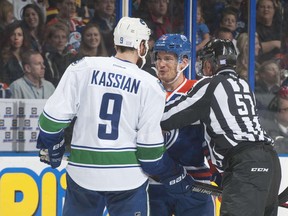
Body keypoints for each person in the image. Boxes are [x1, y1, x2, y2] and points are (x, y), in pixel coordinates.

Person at [36, 17, 195, 216]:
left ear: (115, 42)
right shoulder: (150, 84)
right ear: (141, 45)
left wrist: (53, 145)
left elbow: (50, 121)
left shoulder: (83, 67)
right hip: (126, 179)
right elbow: (150, 154)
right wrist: (174, 174)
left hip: (84, 173)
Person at [160, 38, 281, 216]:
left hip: (245, 165)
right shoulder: (244, 85)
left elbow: (167, 117)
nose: (203, 66)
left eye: (205, 61)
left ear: (212, 63)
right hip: (270, 162)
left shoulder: (210, 85)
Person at [150, 33, 215, 216]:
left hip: (195, 183)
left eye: (168, 58)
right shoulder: (147, 90)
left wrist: (220, 173)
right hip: (155, 184)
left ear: (184, 62)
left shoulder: (199, 90)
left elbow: (212, 136)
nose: (161, 64)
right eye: (159, 58)